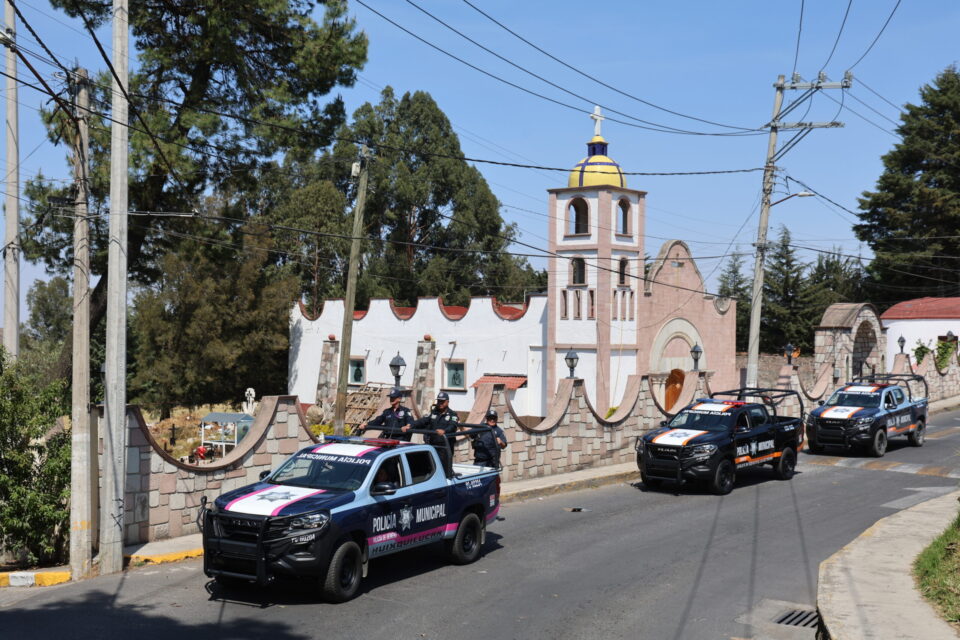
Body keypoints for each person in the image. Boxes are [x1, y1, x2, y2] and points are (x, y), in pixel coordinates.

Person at [412, 391, 460, 474]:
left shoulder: (452, 414)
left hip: (445, 447)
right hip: (433, 445)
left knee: (444, 469)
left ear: (447, 402)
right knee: (430, 467)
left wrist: (445, 431)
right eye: (438, 401)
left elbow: (453, 426)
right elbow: (423, 421)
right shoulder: (434, 413)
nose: (440, 403)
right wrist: (411, 425)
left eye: (442, 401)